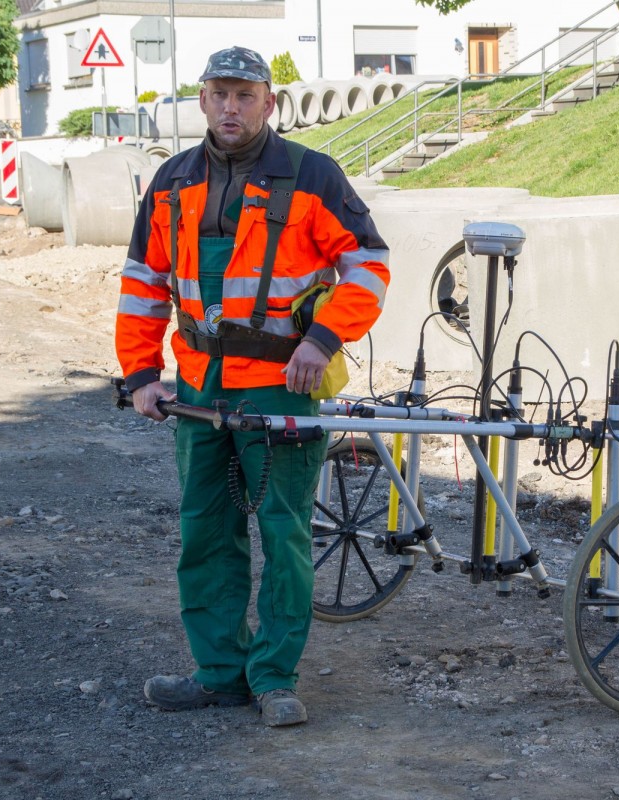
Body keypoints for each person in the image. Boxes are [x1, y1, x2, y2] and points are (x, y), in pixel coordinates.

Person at [115, 46, 389, 727]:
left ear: (270, 102)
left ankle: (273, 678)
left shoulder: (312, 176)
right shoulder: (172, 182)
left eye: (246, 95)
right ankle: (218, 674)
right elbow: (144, 284)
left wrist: (321, 340)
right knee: (206, 533)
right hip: (199, 388)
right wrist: (143, 374)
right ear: (202, 101)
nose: (231, 107)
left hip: (280, 387)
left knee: (285, 534)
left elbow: (369, 266)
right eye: (219, 94)